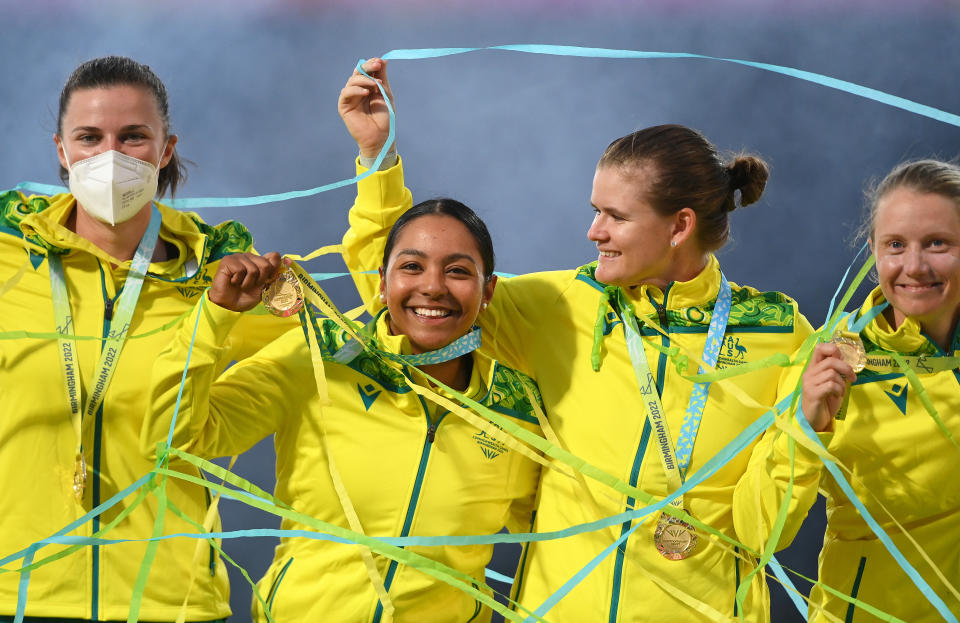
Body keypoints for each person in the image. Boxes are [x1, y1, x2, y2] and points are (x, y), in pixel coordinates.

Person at [339, 59, 814, 620]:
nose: (594, 232)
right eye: (595, 212)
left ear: (679, 226)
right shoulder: (560, 306)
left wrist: (808, 427)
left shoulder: (779, 334)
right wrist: (378, 157)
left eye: (615, 216)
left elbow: (767, 528)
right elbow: (412, 296)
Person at [143, 198, 544, 622]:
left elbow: (549, 543)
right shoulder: (319, 360)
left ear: (489, 291)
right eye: (411, 266)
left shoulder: (518, 412)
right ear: (382, 284)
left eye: (458, 271)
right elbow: (171, 440)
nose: (433, 286)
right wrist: (214, 317)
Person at [0, 56, 291, 621]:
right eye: (89, 137)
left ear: (166, 149)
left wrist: (375, 158)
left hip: (171, 603)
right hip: (17, 594)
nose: (109, 156)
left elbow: (378, 317)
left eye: (133, 137)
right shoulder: (6, 260)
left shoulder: (226, 275)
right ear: (62, 151)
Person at [735, 159, 960, 621]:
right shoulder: (832, 358)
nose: (914, 267)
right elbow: (758, 534)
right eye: (895, 245)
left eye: (937, 243)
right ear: (872, 251)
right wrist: (807, 425)